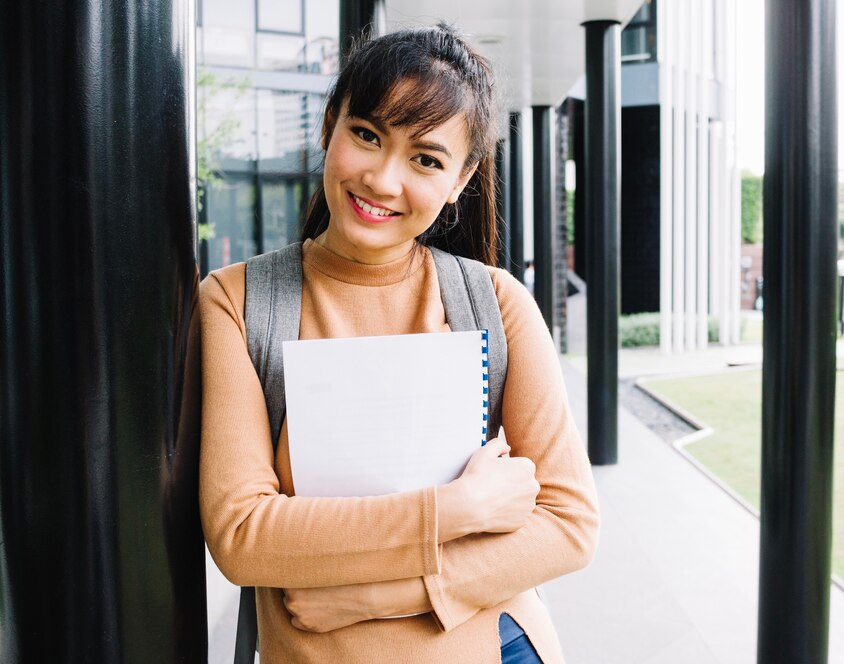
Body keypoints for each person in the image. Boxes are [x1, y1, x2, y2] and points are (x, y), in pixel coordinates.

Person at [199, 24, 599, 664]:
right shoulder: (238, 302)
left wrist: (381, 595)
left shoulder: (494, 303)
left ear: (461, 179)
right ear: (331, 123)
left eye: (426, 159)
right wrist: (457, 508)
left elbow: (570, 525)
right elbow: (243, 535)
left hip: (496, 648)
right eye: (367, 135)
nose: (383, 180)